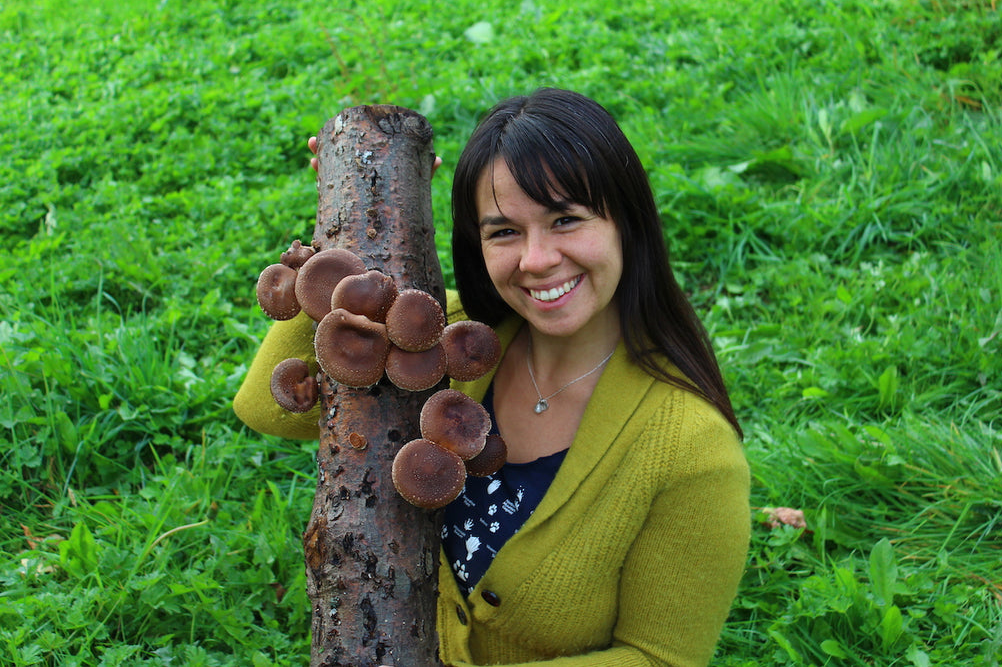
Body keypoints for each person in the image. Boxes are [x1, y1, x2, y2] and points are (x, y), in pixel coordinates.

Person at [233, 88, 750, 666]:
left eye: (565, 219)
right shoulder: (442, 344)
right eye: (503, 231)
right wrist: (341, 239)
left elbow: (660, 658)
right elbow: (265, 408)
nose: (536, 259)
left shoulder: (691, 450)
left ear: (627, 223)